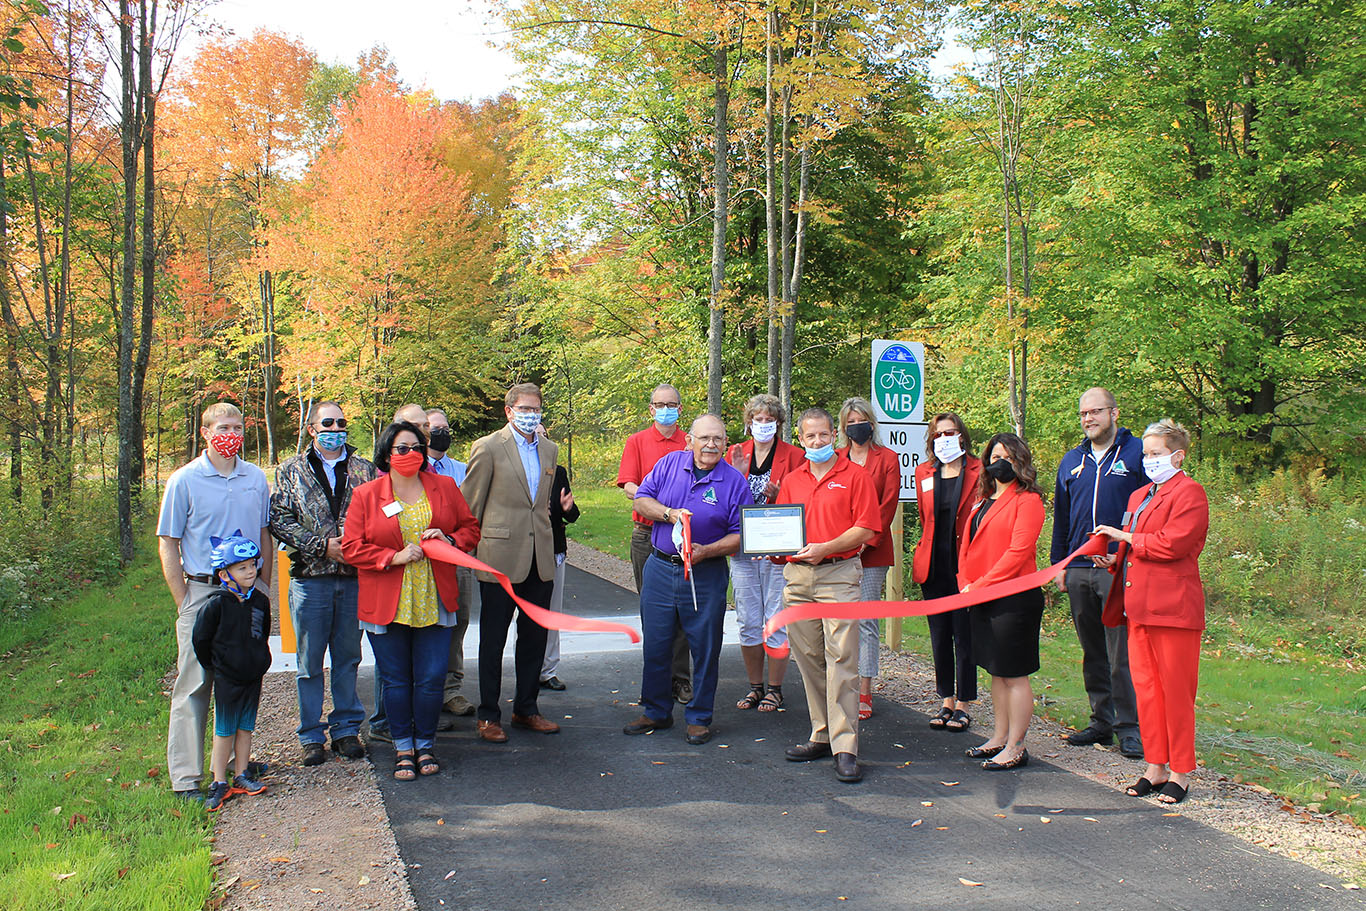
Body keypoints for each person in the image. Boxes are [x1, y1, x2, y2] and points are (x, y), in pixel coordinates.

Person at [341, 421, 480, 780]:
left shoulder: (445, 486)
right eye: (402, 448)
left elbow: (470, 528)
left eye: (417, 447)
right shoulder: (367, 494)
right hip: (388, 600)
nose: (411, 454)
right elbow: (352, 547)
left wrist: (448, 540)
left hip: (434, 597)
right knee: (396, 679)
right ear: (387, 453)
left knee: (432, 678)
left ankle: (425, 743)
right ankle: (403, 746)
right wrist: (392, 558)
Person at [157, 401, 272, 801]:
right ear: (205, 432)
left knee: (241, 677)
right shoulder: (185, 480)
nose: (231, 433)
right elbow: (168, 542)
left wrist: (263, 588)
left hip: (247, 594)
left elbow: (263, 533)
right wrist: (183, 599)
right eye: (223, 426)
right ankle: (187, 776)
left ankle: (234, 766)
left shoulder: (255, 478)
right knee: (195, 683)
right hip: (204, 592)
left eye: (238, 426)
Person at [1094, 420, 1209, 805]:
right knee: (1147, 692)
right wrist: (1113, 558)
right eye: (1145, 453)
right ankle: (1155, 765)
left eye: (1156, 454)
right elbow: (1139, 547)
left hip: (1173, 610)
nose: (1148, 460)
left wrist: (1126, 538)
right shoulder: (1140, 495)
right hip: (1139, 607)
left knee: (1176, 692)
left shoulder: (1190, 493)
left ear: (1178, 456)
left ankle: (1181, 772)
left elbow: (1172, 544)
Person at [623, 414, 751, 744]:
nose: (711, 445)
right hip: (661, 568)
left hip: (706, 572)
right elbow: (641, 499)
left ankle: (699, 716)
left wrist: (707, 551)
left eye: (718, 439)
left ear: (726, 444)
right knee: (656, 642)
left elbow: (742, 534)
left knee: (705, 647)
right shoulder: (668, 465)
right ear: (689, 440)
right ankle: (655, 710)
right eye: (704, 438)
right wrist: (669, 513)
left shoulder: (735, 482)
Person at [776, 407, 881, 784]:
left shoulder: (855, 476)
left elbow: (867, 528)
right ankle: (821, 733)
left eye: (823, 435)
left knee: (843, 659)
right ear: (800, 440)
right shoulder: (792, 480)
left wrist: (826, 547)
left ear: (833, 437)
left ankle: (846, 747)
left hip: (838, 575)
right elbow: (779, 528)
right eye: (810, 437)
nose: (817, 442)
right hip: (799, 579)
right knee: (808, 658)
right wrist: (770, 546)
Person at [269, 401, 377, 767]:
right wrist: (323, 546)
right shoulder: (291, 470)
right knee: (309, 663)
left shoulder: (365, 469)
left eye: (341, 423)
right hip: (310, 580)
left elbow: (381, 515)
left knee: (348, 658)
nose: (336, 428)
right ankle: (311, 734)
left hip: (353, 579)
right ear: (312, 429)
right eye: (327, 423)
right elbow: (279, 518)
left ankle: (346, 730)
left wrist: (356, 546)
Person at [1051, 387, 1150, 759]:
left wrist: (1125, 554)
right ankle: (1101, 722)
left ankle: (1130, 727)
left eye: (1095, 412)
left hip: (1118, 568)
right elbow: (1061, 518)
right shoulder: (1072, 460)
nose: (1088, 419)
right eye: (1083, 414)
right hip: (1078, 568)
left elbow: (1147, 512)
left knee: (1120, 652)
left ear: (1114, 412)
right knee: (1092, 649)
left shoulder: (1137, 453)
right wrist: (1059, 564)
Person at [462, 383, 562, 743]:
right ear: (509, 411)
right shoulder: (488, 447)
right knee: (493, 639)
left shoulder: (549, 449)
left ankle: (527, 708)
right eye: (524, 409)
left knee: (534, 638)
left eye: (536, 409)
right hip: (499, 558)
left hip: (540, 559)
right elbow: (470, 505)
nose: (531, 415)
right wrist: (466, 551)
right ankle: (489, 714)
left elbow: (542, 505)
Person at [957, 432, 1047, 771]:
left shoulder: (1028, 501)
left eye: (1008, 458)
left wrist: (981, 584)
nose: (1001, 464)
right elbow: (967, 546)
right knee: (995, 671)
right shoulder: (983, 499)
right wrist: (965, 582)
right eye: (996, 457)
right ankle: (998, 736)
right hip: (981, 597)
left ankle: (1016, 745)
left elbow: (1017, 553)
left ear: (1020, 461)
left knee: (1014, 673)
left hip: (1014, 599)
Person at [725, 393, 803, 713]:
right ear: (748, 423)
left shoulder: (794, 456)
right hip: (742, 549)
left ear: (779, 424)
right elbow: (727, 498)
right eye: (758, 420)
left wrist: (779, 494)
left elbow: (800, 499)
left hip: (775, 547)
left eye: (769, 420)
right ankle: (755, 686)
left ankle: (776, 689)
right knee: (748, 620)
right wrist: (741, 476)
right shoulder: (735, 453)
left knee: (776, 620)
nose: (763, 425)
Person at [616, 383, 692, 704]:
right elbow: (629, 485)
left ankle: (681, 678)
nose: (665, 409)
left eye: (671, 404)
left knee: (683, 611)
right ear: (651, 409)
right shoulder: (637, 441)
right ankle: (658, 680)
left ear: (679, 408)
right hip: (647, 535)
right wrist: (658, 501)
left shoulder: (690, 441)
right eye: (659, 404)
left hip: (683, 535)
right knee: (654, 610)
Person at [911, 412, 982, 732]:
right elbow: (926, 519)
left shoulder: (981, 471)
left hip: (966, 567)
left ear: (962, 437)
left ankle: (965, 704)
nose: (944, 439)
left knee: (964, 636)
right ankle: (946, 700)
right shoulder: (923, 472)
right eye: (938, 435)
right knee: (939, 635)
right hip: (934, 566)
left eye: (950, 433)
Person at [192, 535, 273, 812]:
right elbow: (201, 640)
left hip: (253, 674)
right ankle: (219, 780)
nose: (250, 572)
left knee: (245, 726)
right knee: (224, 728)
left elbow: (262, 633)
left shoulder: (260, 601)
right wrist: (218, 665)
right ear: (224, 573)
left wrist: (260, 659)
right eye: (242, 568)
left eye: (252, 566)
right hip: (227, 676)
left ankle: (241, 773)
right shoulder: (216, 605)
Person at [836, 397, 901, 721]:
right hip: (836, 552)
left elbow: (887, 505)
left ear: (871, 423)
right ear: (843, 427)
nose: (856, 427)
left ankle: (864, 689)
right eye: (849, 423)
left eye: (860, 420)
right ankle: (840, 686)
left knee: (865, 623)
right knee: (839, 622)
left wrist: (863, 542)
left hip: (872, 552)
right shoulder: (836, 458)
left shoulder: (887, 458)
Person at [426, 407, 478, 718]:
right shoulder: (412, 469)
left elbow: (469, 515)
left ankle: (451, 689)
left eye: (446, 427)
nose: (442, 433)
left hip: (457, 557)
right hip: (420, 560)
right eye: (435, 428)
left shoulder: (462, 470)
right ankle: (425, 690)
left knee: (457, 623)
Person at [538, 423, 580, 691]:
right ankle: (526, 666)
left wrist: (568, 508)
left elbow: (572, 513)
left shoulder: (558, 472)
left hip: (553, 549)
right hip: (520, 551)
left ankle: (548, 670)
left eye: (543, 436)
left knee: (551, 612)